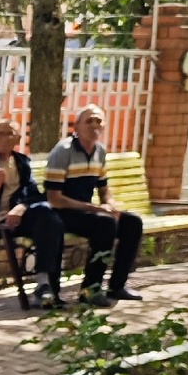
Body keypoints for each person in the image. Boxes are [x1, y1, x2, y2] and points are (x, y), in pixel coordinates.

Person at [0, 118, 67, 309]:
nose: (4, 138)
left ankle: (44, 285)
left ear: (18, 139)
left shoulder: (22, 162)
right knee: (51, 221)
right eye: (0, 133)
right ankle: (48, 286)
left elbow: (35, 194)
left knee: (51, 217)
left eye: (9, 133)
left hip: (17, 222)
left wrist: (21, 207)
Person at [45, 106, 144, 304]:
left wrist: (111, 205)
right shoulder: (63, 151)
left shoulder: (100, 151)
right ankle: (90, 290)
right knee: (104, 223)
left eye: (98, 121)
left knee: (132, 222)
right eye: (88, 121)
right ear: (76, 126)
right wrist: (98, 209)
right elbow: (54, 198)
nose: (94, 125)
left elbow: (104, 189)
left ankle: (117, 286)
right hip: (61, 213)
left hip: (86, 212)